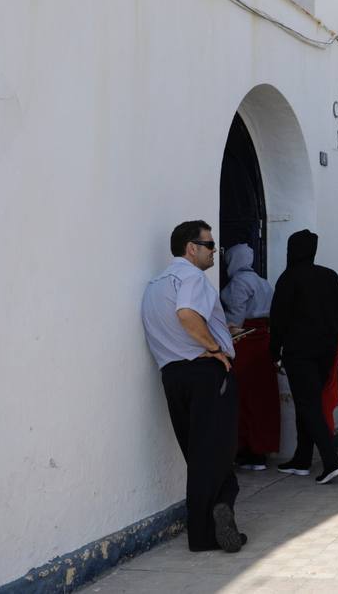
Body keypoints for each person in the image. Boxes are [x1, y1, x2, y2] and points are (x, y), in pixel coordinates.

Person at [140, 220, 244, 553]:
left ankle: (215, 517)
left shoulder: (155, 285)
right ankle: (211, 523)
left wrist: (215, 330)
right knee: (219, 450)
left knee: (199, 455)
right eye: (210, 245)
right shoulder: (192, 276)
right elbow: (186, 314)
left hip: (173, 376)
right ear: (191, 248)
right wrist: (215, 348)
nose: (215, 251)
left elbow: (177, 321)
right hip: (205, 374)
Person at [269, 229, 338, 485]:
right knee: (310, 402)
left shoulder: (289, 278)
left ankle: (331, 461)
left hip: (299, 353)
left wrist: (275, 351)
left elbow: (278, 319)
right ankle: (302, 459)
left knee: (308, 405)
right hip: (325, 352)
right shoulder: (329, 276)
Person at [220, 242, 279, 470]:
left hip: (245, 342)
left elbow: (235, 319)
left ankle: (248, 450)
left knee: (244, 397)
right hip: (263, 342)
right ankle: (261, 449)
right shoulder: (263, 283)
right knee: (263, 398)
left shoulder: (239, 283)